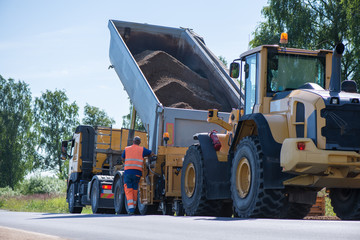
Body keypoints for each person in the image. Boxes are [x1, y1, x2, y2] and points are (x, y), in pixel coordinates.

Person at [121, 136, 153, 215]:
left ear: (133, 141)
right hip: (137, 173)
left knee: (129, 190)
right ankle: (133, 207)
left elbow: (122, 158)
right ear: (140, 142)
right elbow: (151, 153)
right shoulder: (142, 149)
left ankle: (131, 209)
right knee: (135, 190)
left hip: (128, 172)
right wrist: (145, 156)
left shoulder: (127, 149)